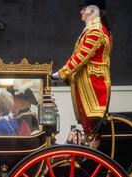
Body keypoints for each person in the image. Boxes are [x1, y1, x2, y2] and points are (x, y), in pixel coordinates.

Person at [51, 0, 112, 138]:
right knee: (89, 124)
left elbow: (82, 56)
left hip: (92, 82)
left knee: (92, 122)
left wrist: (61, 74)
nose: (81, 12)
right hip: (87, 80)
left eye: (84, 9)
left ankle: (92, 144)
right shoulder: (93, 28)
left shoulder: (96, 30)